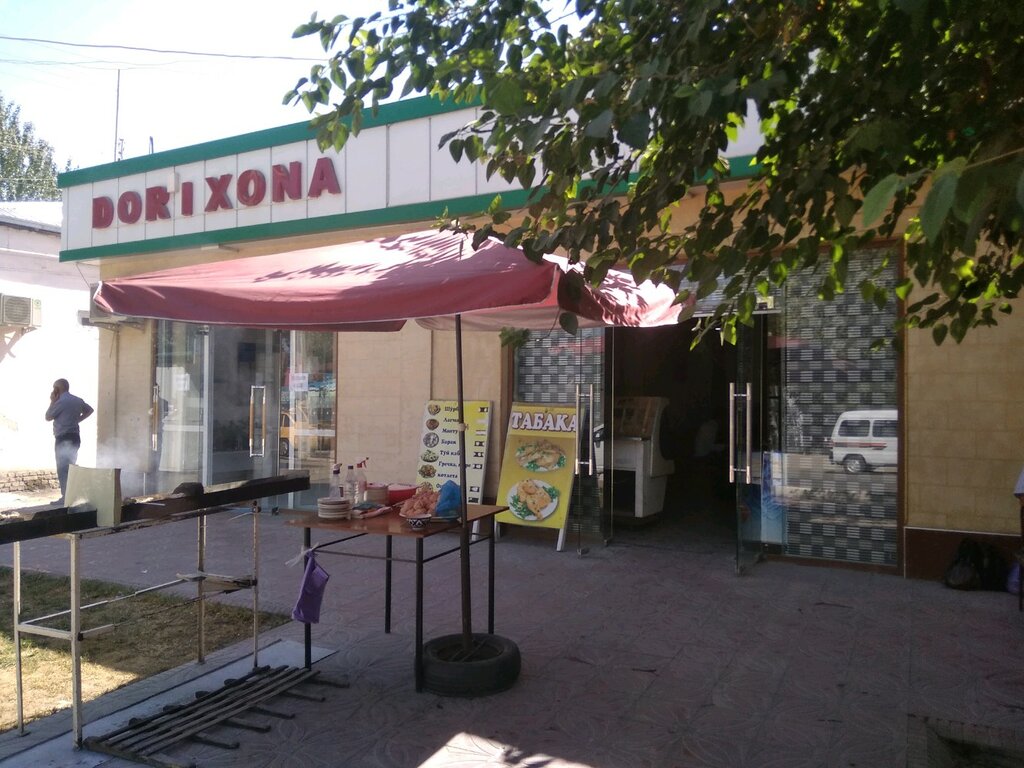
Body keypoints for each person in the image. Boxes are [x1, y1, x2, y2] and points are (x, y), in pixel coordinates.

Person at [45, 378, 94, 503]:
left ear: (57, 389)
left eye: (54, 388)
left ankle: (66, 497)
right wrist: (78, 420)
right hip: (75, 437)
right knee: (71, 467)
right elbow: (89, 410)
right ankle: (73, 495)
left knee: (63, 468)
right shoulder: (77, 400)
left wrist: (52, 401)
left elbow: (48, 417)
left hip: (63, 438)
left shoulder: (60, 402)